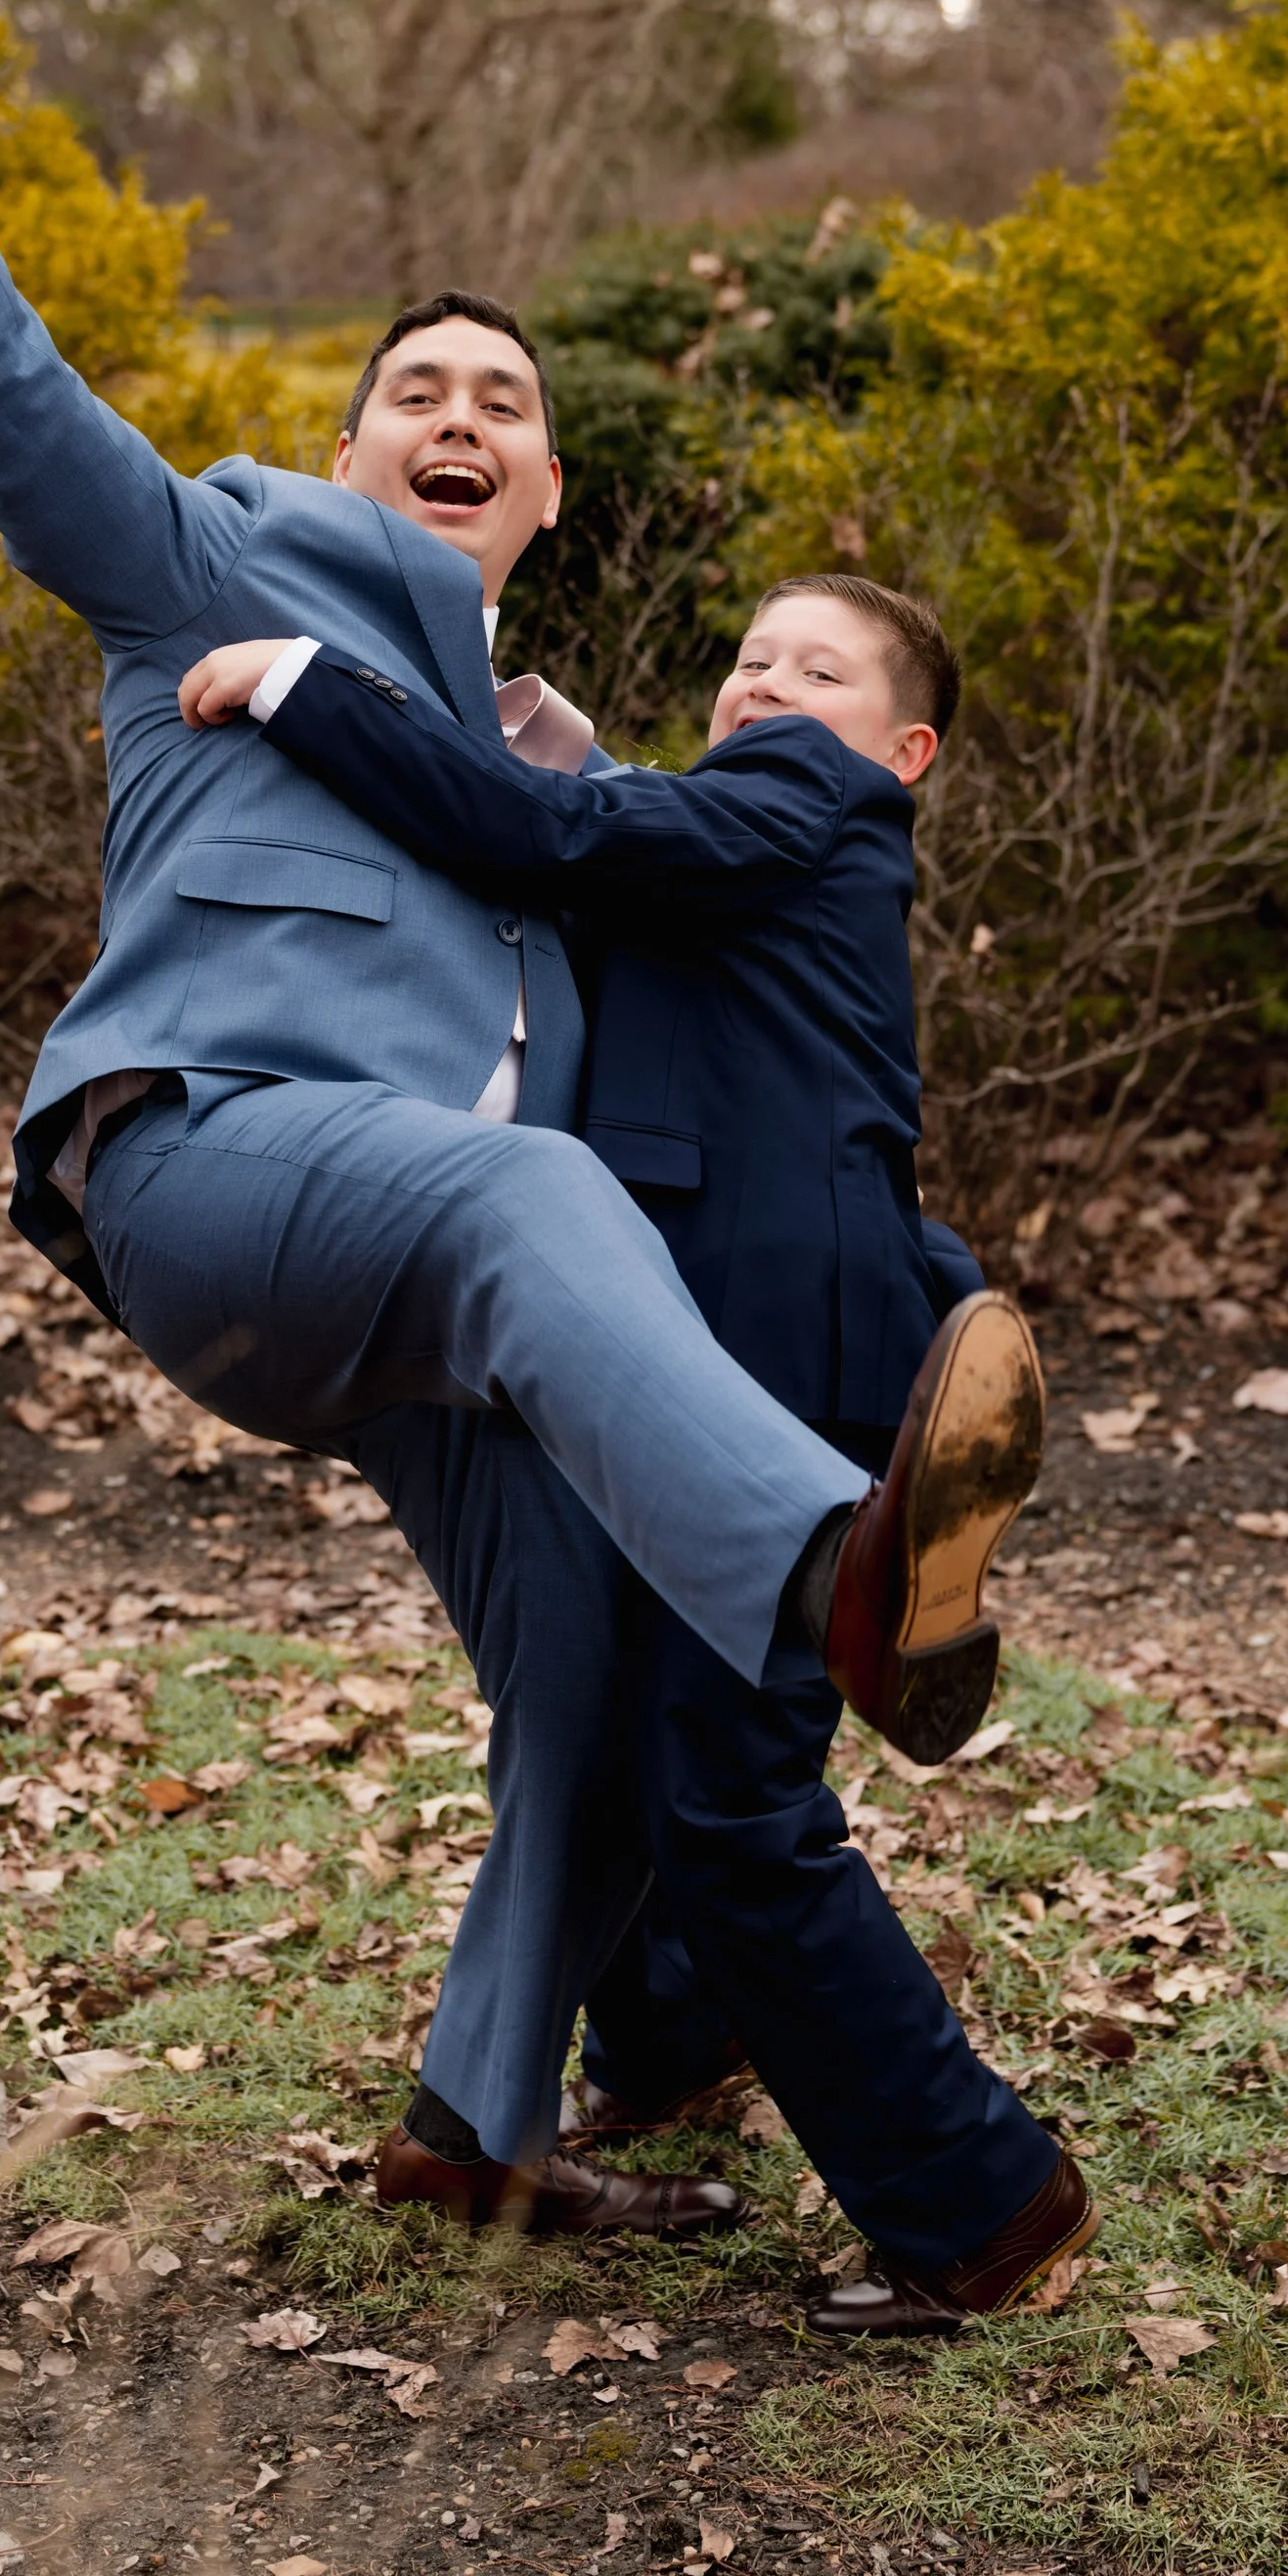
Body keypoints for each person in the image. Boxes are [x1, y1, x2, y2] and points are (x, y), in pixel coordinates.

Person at [0, 0, 1030, 1870]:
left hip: (429, 1285)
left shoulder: (575, 784)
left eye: (503, 404)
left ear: (544, 492)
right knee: (527, 1202)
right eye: (418, 393)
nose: (460, 418)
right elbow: (4, 404)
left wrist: (909, 1299)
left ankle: (528, 2098)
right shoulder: (216, 568)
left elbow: (765, 1037)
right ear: (343, 451)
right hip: (216, 1167)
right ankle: (839, 1573)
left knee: (572, 1645)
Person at [175, 574, 1091, 2330]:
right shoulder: (742, 826)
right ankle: (670, 2039)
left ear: (900, 751)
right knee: (650, 1725)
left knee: (733, 1801)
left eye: (817, 670)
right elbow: (591, 847)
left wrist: (308, 683)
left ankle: (982, 2202)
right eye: (749, 654)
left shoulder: (806, 797)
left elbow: (549, 833)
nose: (766, 681)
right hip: (732, 1317)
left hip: (769, 1337)